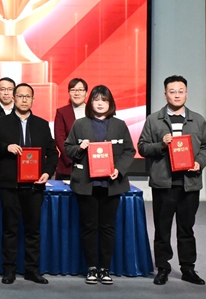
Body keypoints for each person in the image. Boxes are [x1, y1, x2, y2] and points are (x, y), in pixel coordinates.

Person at [138, 75, 206, 286]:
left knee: (186, 228)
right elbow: (142, 147)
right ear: (165, 94)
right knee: (162, 229)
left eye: (181, 91)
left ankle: (188, 268)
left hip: (189, 183)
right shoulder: (154, 119)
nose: (177, 95)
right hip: (164, 183)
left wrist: (199, 162)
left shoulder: (198, 120)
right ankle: (163, 268)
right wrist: (161, 145)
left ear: (186, 93)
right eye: (172, 91)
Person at [0, 83, 57, 285]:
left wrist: (47, 172)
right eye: (20, 96)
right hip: (10, 186)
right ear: (14, 98)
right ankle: (9, 270)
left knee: (33, 230)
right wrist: (5, 147)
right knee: (10, 229)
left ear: (33, 100)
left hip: (35, 186)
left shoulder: (42, 125)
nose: (24, 100)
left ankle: (32, 270)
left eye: (28, 96)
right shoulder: (1, 123)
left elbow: (53, 153)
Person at [64, 85, 136, 285]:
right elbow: (68, 148)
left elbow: (129, 151)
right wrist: (79, 148)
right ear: (90, 102)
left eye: (104, 100)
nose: (100, 103)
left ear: (110, 103)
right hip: (86, 184)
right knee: (89, 227)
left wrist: (119, 169)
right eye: (96, 99)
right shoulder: (80, 124)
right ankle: (91, 268)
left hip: (111, 184)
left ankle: (105, 268)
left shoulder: (120, 124)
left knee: (107, 227)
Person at [53, 78, 88, 180]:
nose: (77, 93)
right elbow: (60, 139)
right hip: (68, 165)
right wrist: (73, 158)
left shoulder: (94, 112)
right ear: (68, 93)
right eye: (73, 90)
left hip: (91, 164)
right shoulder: (62, 112)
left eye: (80, 90)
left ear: (86, 93)